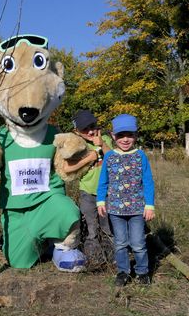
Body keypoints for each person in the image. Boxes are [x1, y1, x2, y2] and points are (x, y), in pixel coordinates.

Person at [96, 114, 155, 286]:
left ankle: (142, 272)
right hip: (115, 209)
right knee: (120, 243)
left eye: (129, 135)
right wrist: (100, 201)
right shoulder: (109, 157)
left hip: (137, 209)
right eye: (121, 135)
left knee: (138, 243)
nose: (125, 139)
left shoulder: (140, 156)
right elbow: (103, 181)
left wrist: (149, 205)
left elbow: (148, 181)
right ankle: (123, 272)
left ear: (136, 136)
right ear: (113, 136)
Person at [61, 109, 114, 269]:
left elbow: (114, 159)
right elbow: (67, 168)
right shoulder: (78, 146)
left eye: (92, 126)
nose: (90, 131)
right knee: (91, 227)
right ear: (76, 131)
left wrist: (102, 145)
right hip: (87, 193)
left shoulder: (104, 139)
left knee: (107, 226)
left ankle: (111, 258)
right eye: (85, 129)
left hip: (107, 193)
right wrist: (89, 158)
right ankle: (95, 259)